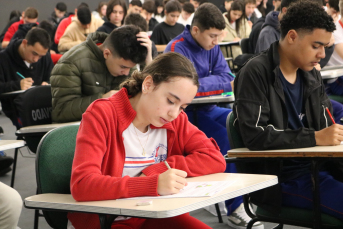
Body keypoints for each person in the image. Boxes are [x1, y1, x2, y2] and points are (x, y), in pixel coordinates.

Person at [68, 52, 226, 229]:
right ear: (148, 85)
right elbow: (82, 184)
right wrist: (152, 184)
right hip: (112, 220)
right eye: (170, 101)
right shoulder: (102, 114)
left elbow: (214, 158)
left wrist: (159, 169)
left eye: (182, 107)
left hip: (158, 215)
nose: (174, 113)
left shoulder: (175, 120)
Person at [233, 1, 343, 220]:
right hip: (281, 179)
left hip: (319, 167)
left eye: (325, 46)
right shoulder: (255, 72)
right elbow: (255, 136)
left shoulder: (310, 73)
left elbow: (326, 124)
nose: (322, 54)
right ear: (292, 36)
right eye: (316, 46)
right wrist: (314, 137)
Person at [165, 3, 263, 229]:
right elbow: (184, 89)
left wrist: (201, 84)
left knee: (243, 125)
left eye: (219, 37)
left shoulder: (211, 46)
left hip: (209, 108)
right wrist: (209, 84)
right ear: (196, 30)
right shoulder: (176, 48)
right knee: (225, 138)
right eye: (212, 36)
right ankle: (235, 208)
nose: (216, 42)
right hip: (184, 115)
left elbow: (227, 76)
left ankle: (250, 197)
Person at [51, 25, 152, 123]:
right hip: (80, 132)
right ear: (107, 53)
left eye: (130, 68)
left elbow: (146, 99)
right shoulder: (71, 63)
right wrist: (102, 99)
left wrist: (149, 61)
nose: (126, 73)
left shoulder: (127, 59)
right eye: (123, 67)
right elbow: (60, 112)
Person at [0, 28, 53, 129]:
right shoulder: (4, 59)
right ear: (25, 43)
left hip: (45, 108)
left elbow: (53, 76)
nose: (36, 59)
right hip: (18, 110)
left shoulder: (45, 57)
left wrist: (47, 83)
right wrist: (17, 85)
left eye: (41, 56)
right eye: (34, 53)